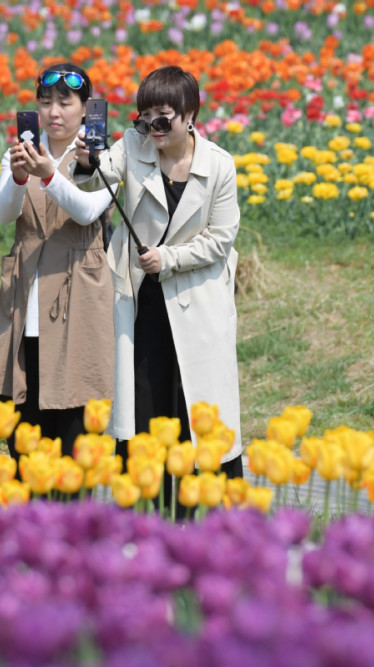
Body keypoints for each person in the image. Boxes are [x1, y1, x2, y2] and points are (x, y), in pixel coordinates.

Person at [73, 65, 243, 506]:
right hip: (141, 300)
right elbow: (97, 176)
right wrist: (85, 157)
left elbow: (220, 241)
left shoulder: (220, 166)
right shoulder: (133, 147)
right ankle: (147, 510)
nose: (152, 129)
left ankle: (200, 513)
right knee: (144, 402)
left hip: (198, 300)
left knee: (194, 403)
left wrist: (167, 258)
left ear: (191, 114)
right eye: (143, 119)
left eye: (162, 119)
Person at [0, 63, 114, 464]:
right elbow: (2, 214)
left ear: (86, 107)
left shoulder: (102, 156)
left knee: (76, 433)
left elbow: (90, 210)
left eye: (65, 102)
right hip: (24, 303)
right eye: (45, 102)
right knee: (23, 433)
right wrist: (22, 178)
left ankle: (73, 520)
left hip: (80, 302)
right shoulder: (20, 153)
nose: (54, 112)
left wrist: (50, 175)